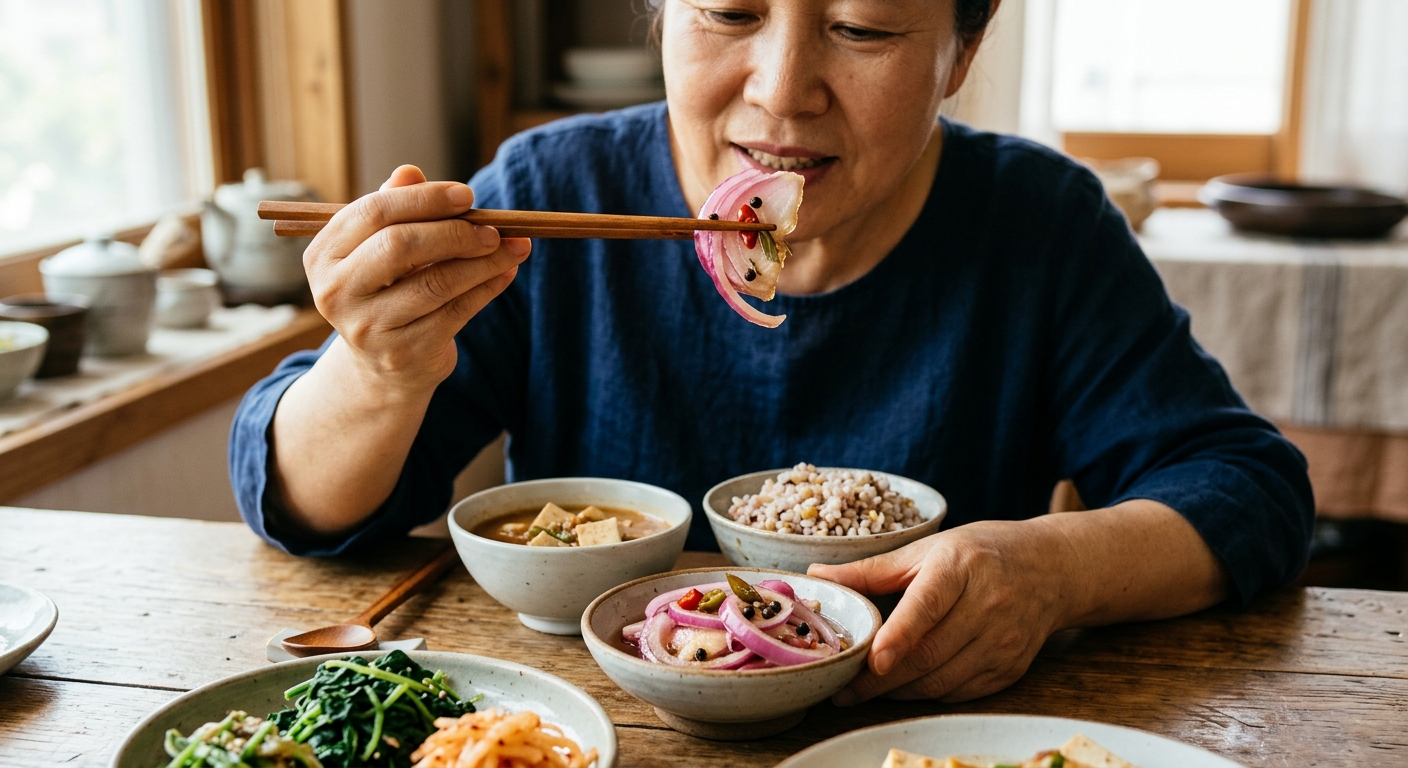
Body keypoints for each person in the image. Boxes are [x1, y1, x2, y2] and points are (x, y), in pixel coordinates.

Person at [230, 0, 1314, 706]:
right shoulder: (550, 196)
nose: (783, 88)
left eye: (864, 27)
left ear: (963, 52)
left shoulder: (1039, 226)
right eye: (729, 12)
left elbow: (1250, 490)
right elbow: (301, 508)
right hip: (577, 730)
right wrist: (375, 371)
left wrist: (1053, 570)